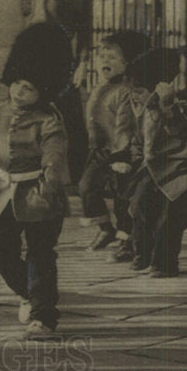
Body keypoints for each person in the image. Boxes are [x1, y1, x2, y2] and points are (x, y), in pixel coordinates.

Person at [0, 23, 72, 338]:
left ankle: (43, 317)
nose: (20, 92)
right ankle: (29, 293)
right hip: (0, 190)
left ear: (45, 91)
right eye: (17, 84)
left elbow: (53, 156)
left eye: (30, 89)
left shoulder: (49, 121)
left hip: (38, 192)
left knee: (40, 254)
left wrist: (50, 187)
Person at [121, 48, 187, 277]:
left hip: (180, 169)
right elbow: (138, 140)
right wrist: (135, 158)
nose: (134, 95)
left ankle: (164, 263)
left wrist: (167, 106)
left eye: (138, 90)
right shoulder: (140, 111)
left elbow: (180, 129)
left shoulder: (177, 105)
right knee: (139, 208)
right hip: (152, 169)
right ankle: (143, 255)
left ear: (157, 87)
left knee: (171, 218)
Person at [22, 0, 94, 183]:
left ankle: (80, 180)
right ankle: (27, 176)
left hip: (64, 58)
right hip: (35, 56)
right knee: (29, 116)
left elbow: (86, 31)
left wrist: (83, 64)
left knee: (74, 122)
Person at [78, 29, 148, 256]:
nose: (105, 61)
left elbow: (125, 125)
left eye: (113, 57)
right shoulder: (99, 87)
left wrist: (122, 155)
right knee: (86, 188)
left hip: (120, 153)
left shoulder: (125, 91)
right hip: (98, 150)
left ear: (128, 62)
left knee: (122, 198)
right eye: (102, 56)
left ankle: (127, 240)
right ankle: (105, 228)